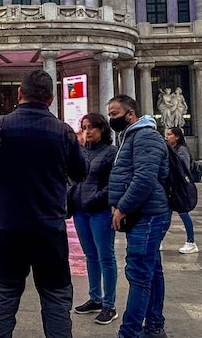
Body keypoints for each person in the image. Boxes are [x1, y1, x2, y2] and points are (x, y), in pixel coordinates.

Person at [0, 69, 88, 338]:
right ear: (50, 99)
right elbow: (82, 172)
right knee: (56, 298)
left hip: (9, 228)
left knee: (3, 298)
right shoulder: (64, 131)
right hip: (50, 230)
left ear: (20, 94)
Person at [107, 94, 171, 338]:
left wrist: (122, 207)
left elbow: (144, 178)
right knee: (151, 270)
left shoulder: (145, 137)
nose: (112, 119)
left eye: (115, 114)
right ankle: (154, 326)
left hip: (148, 215)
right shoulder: (133, 136)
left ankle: (129, 333)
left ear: (130, 114)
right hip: (147, 213)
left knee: (139, 274)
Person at [70, 112, 118, 325]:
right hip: (81, 210)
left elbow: (114, 183)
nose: (87, 131)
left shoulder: (110, 152)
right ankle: (95, 298)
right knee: (90, 255)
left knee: (105, 256)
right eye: (84, 127)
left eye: (91, 127)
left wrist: (97, 199)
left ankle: (109, 305)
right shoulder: (80, 152)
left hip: (100, 210)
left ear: (102, 129)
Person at [163, 127, 198, 254]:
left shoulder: (181, 150)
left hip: (180, 188)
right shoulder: (171, 149)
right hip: (172, 188)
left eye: (169, 134)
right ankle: (159, 240)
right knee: (166, 215)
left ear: (177, 137)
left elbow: (182, 169)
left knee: (183, 213)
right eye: (166, 134)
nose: (166, 136)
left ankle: (191, 242)